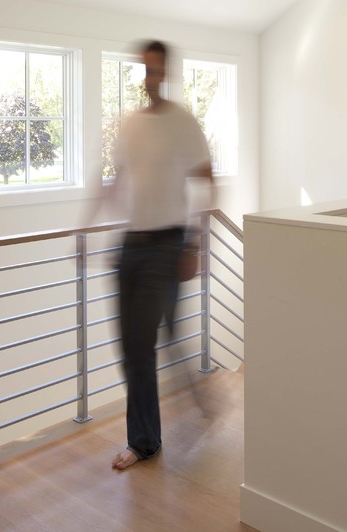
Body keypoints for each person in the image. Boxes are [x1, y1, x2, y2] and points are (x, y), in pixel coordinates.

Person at [107, 40, 214, 470]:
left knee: (141, 342)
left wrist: (193, 244)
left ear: (166, 72)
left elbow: (207, 179)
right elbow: (117, 178)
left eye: (157, 69)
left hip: (167, 243)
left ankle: (145, 441)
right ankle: (185, 398)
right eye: (144, 69)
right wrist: (85, 224)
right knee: (131, 346)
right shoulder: (131, 123)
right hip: (130, 243)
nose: (150, 77)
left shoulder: (182, 121)